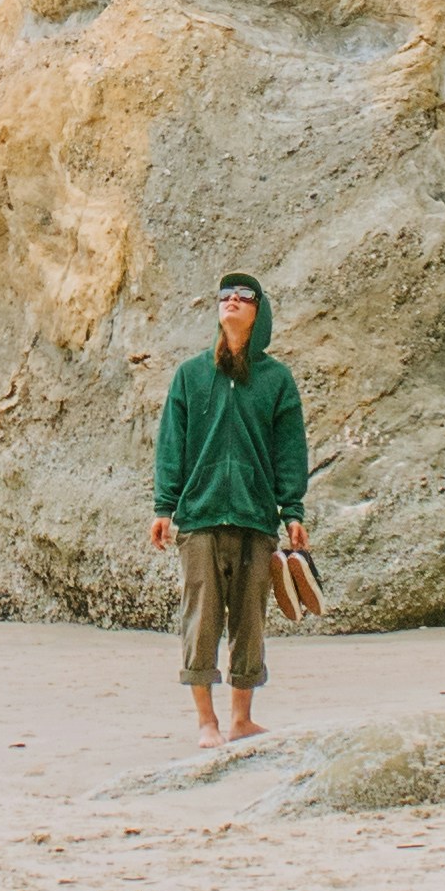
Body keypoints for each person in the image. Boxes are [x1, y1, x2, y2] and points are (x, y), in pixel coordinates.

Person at [149, 275, 311, 747]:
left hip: (256, 517)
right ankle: (207, 723)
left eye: (243, 298)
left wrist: (293, 511)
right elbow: (171, 445)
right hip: (198, 516)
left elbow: (290, 451)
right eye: (225, 297)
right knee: (200, 620)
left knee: (250, 622)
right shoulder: (191, 375)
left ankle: (241, 719)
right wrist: (164, 505)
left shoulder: (277, 380)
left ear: (260, 313)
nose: (232, 302)